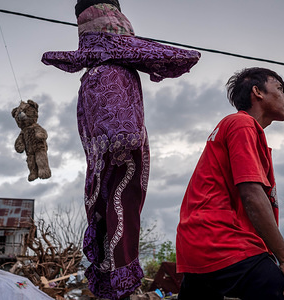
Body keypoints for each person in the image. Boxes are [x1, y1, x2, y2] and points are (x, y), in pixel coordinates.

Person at [42, 1, 200, 299]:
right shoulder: (109, 71)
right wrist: (123, 141)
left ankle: (113, 281)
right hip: (121, 150)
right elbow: (120, 122)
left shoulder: (96, 72)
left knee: (106, 211)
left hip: (106, 153)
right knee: (120, 210)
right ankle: (120, 283)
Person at [175, 67, 284, 300]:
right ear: (257, 92)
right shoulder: (242, 124)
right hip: (221, 240)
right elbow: (252, 195)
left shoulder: (241, 130)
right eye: (280, 89)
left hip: (197, 244)